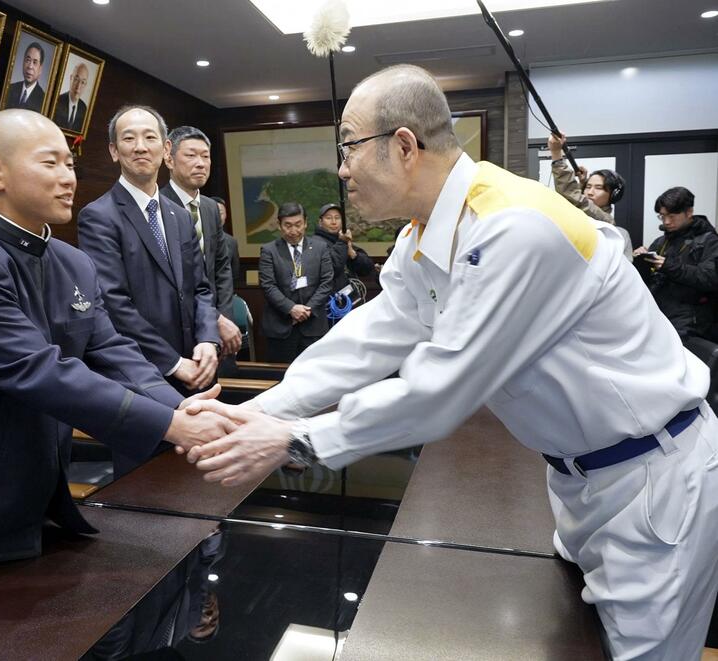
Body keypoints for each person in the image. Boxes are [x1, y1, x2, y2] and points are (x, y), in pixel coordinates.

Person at [187, 64, 718, 661]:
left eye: (347, 148)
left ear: (404, 146)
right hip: (578, 481)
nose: (341, 170)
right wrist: (251, 412)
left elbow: (439, 391)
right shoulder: (428, 234)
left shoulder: (513, 226)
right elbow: (365, 340)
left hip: (650, 479)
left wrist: (295, 441)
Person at [0, 109, 231, 623]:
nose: (67, 177)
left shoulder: (71, 262)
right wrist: (172, 425)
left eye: (70, 164)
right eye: (50, 163)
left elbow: (113, 352)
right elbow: (39, 371)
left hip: (21, 507)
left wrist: (182, 406)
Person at [77, 105, 220, 403]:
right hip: (142, 375)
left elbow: (202, 286)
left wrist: (207, 338)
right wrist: (173, 362)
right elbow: (114, 303)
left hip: (198, 366)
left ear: (166, 149)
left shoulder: (179, 215)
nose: (140, 147)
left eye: (150, 137)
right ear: (114, 151)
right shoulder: (99, 217)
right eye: (129, 139)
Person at [160, 126, 241, 357]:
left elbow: (221, 268)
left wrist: (222, 317)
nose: (200, 163)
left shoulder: (209, 208)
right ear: (169, 159)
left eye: (205, 156)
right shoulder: (158, 206)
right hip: (177, 325)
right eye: (191, 155)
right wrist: (213, 319)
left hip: (218, 325)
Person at [633, 186, 718, 341]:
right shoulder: (661, 242)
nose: (666, 222)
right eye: (662, 216)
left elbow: (710, 278)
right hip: (659, 313)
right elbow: (646, 281)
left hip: (691, 321)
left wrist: (668, 266)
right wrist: (640, 261)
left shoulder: (709, 241)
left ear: (689, 212)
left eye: (672, 216)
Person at [258, 202, 333, 363]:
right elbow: (268, 285)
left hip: (313, 327)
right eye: (288, 225)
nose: (294, 231)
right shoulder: (269, 250)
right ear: (279, 225)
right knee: (281, 378)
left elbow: (326, 282)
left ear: (305, 222)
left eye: (298, 225)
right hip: (281, 327)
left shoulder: (320, 248)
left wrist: (307, 310)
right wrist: (291, 308)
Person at [548, 133, 632, 260]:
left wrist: (556, 154)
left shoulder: (607, 222)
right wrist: (583, 183)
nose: (590, 192)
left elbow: (577, 199)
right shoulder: (588, 213)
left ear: (613, 195)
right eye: (588, 187)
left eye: (598, 188)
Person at [310, 202, 375, 296]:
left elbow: (367, 269)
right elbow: (331, 269)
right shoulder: (314, 244)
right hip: (330, 301)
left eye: (337, 218)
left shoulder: (344, 240)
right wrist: (341, 243)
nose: (333, 222)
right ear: (320, 222)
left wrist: (353, 255)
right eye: (328, 218)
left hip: (351, 298)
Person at [3, 41, 46, 112]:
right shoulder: (10, 88)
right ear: (23, 62)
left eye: (35, 62)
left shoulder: (43, 100)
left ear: (40, 69)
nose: (30, 66)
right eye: (28, 60)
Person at [211, 196, 241, 289]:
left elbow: (235, 274)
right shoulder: (196, 238)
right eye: (213, 213)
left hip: (225, 294)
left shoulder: (231, 242)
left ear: (226, 215)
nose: (217, 217)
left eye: (220, 213)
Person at [52, 62, 88, 132]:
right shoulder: (57, 101)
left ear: (85, 85)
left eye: (83, 82)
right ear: (71, 78)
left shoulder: (84, 109)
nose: (78, 86)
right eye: (76, 79)